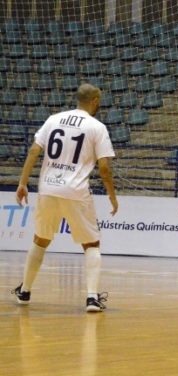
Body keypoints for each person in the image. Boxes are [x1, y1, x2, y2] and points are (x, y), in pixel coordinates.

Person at [12, 83, 118, 312]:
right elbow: (105, 169)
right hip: (76, 191)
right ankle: (91, 298)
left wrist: (22, 183)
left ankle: (25, 291)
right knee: (91, 243)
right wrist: (112, 196)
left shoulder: (53, 119)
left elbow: (33, 151)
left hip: (48, 188)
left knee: (40, 239)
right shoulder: (97, 127)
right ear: (95, 101)